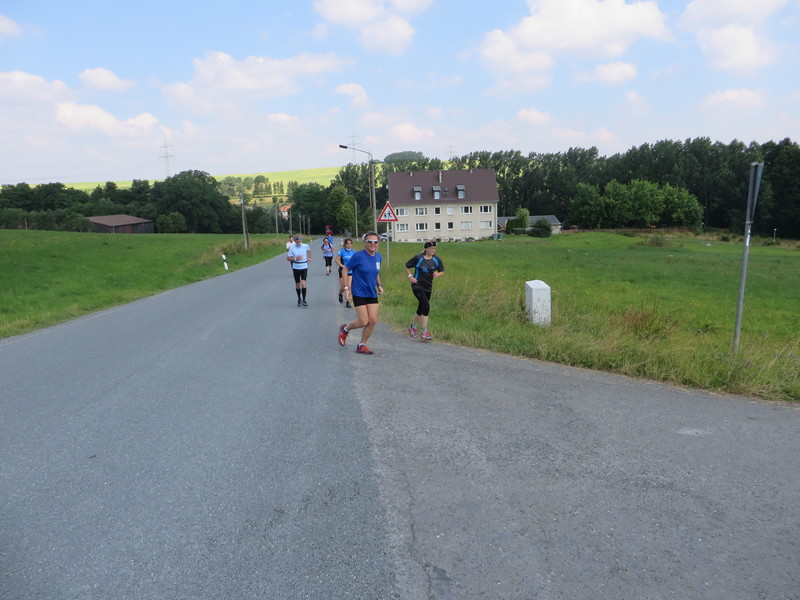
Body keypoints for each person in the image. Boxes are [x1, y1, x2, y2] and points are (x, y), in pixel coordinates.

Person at [337, 232, 383, 355]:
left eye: (375, 242)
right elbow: (345, 269)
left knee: (373, 320)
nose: (373, 244)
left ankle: (362, 344)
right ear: (365, 243)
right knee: (363, 321)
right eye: (370, 241)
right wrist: (346, 288)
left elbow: (376, 272)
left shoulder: (379, 257)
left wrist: (379, 285)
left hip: (371, 292)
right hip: (359, 292)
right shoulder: (358, 256)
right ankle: (345, 329)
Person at [405, 240, 445, 342]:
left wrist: (438, 274)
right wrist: (410, 277)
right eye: (431, 248)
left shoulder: (436, 259)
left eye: (434, 249)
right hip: (417, 285)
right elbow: (407, 266)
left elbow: (442, 271)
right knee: (426, 306)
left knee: (421, 307)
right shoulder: (418, 258)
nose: (433, 250)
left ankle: (413, 327)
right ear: (426, 249)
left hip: (428, 287)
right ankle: (424, 331)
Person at [286, 234, 312, 307]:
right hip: (296, 267)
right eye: (297, 241)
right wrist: (295, 259)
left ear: (301, 240)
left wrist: (309, 257)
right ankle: (299, 299)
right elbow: (288, 258)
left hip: (304, 266)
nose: (298, 242)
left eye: (299, 241)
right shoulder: (292, 247)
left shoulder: (305, 246)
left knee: (303, 284)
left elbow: (309, 251)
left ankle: (304, 300)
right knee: (298, 285)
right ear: (295, 241)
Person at [335, 238, 356, 307]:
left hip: (350, 271)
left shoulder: (353, 251)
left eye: (350, 244)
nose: (349, 245)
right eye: (347, 244)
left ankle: (348, 301)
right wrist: (342, 266)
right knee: (344, 286)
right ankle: (340, 293)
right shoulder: (342, 251)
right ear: (345, 244)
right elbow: (336, 260)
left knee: (349, 286)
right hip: (343, 271)